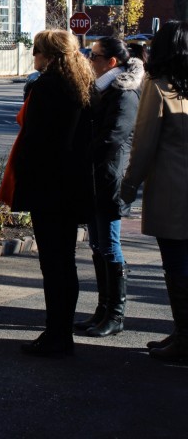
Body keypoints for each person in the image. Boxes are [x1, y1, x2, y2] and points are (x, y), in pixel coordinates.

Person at [0, 29, 96, 358]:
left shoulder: (46, 87)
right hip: (72, 187)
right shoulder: (83, 85)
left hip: (48, 188)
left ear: (50, 55)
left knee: (53, 265)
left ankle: (56, 334)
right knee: (64, 263)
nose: (33, 57)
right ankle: (60, 332)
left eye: (37, 51)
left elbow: (34, 143)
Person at [121, 20, 188, 363]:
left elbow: (144, 144)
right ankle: (182, 333)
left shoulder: (159, 86)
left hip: (173, 193)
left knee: (177, 266)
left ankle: (185, 337)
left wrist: (128, 187)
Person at [74, 37, 144, 338]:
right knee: (97, 245)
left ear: (111, 62)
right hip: (96, 178)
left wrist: (82, 157)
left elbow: (113, 138)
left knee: (110, 245)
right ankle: (103, 309)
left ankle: (115, 314)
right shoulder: (101, 90)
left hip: (109, 179)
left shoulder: (124, 94)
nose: (90, 59)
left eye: (95, 55)